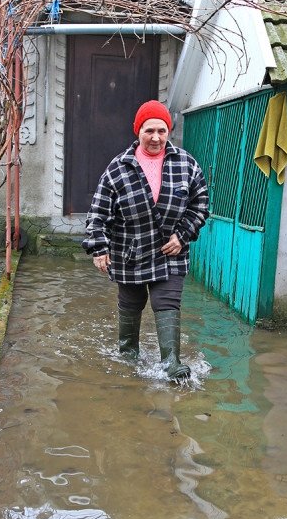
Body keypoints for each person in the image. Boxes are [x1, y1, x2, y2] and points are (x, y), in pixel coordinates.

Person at [83, 100, 209, 381]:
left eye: (162, 131)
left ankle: (172, 364)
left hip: (170, 251)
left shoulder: (186, 164)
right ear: (137, 131)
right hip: (131, 251)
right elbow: (98, 211)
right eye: (149, 130)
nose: (156, 137)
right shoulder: (118, 168)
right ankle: (127, 359)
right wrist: (99, 248)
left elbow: (200, 204)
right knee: (131, 303)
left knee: (167, 302)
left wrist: (183, 234)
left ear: (169, 131)